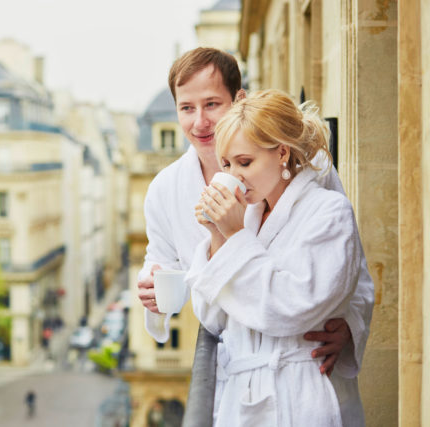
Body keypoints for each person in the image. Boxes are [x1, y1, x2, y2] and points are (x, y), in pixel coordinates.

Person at [136, 48, 373, 425]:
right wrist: (155, 284)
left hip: (304, 375)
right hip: (240, 377)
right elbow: (171, 270)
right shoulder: (167, 189)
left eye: (212, 104)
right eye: (186, 108)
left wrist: (351, 324)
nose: (200, 122)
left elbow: (348, 264)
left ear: (238, 100)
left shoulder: (314, 177)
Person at [187, 89, 369, 425]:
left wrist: (236, 237)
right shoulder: (249, 217)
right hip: (241, 399)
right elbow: (213, 319)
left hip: (298, 396)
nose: (234, 174)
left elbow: (290, 306)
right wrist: (217, 235)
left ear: (281, 153)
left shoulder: (328, 213)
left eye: (245, 162)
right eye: (226, 164)